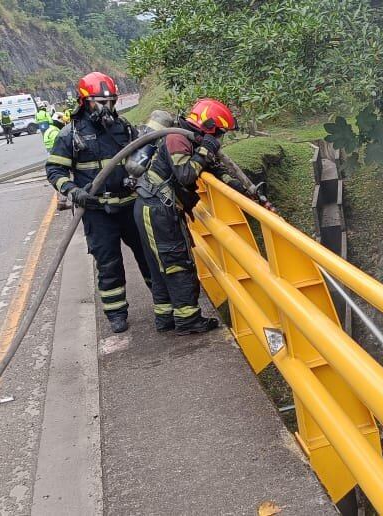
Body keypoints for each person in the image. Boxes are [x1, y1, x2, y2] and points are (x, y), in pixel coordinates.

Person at [45, 72, 152, 333]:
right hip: (97, 211)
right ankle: (116, 313)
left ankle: (163, 301)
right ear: (84, 102)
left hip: (129, 205)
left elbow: (143, 156)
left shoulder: (124, 128)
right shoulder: (70, 135)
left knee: (148, 256)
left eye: (110, 102)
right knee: (108, 263)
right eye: (99, 102)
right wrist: (73, 190)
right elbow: (54, 171)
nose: (106, 108)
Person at [133, 98, 251, 335]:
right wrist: (206, 149)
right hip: (158, 211)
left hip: (153, 207)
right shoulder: (177, 138)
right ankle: (188, 320)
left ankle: (165, 318)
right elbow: (186, 174)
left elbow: (211, 168)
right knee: (177, 264)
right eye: (218, 133)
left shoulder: (190, 139)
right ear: (209, 127)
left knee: (161, 266)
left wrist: (240, 188)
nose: (219, 139)